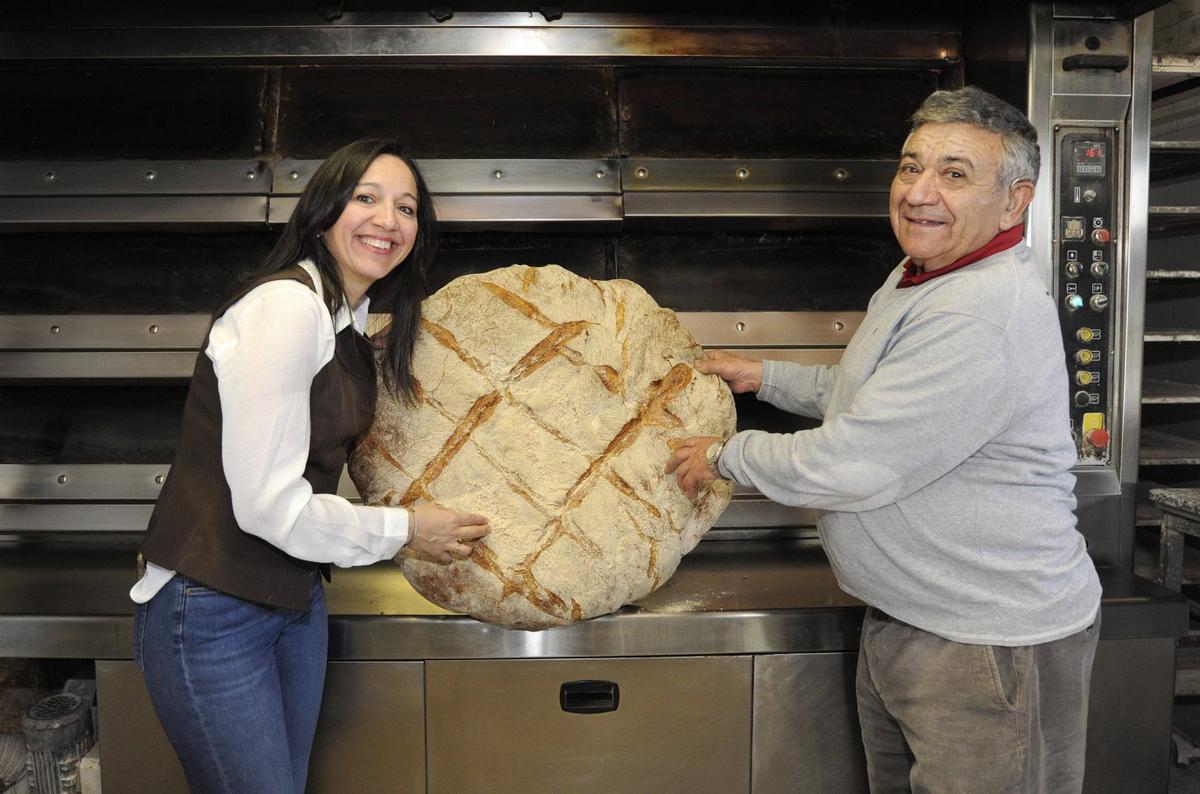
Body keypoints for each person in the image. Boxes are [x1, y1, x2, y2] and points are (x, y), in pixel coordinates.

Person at [668, 86, 1102, 793]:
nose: (919, 192)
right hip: (914, 617)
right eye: (910, 167)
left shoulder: (983, 311)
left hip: (987, 643)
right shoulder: (919, 275)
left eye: (954, 174)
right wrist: (763, 375)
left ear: (1014, 202)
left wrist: (724, 456)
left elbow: (856, 462)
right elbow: (875, 396)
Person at [130, 138, 490, 794]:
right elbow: (267, 504)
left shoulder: (345, 325)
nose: (388, 220)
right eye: (367, 198)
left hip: (293, 599)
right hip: (209, 607)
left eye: (406, 208)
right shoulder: (284, 308)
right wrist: (407, 529)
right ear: (324, 210)